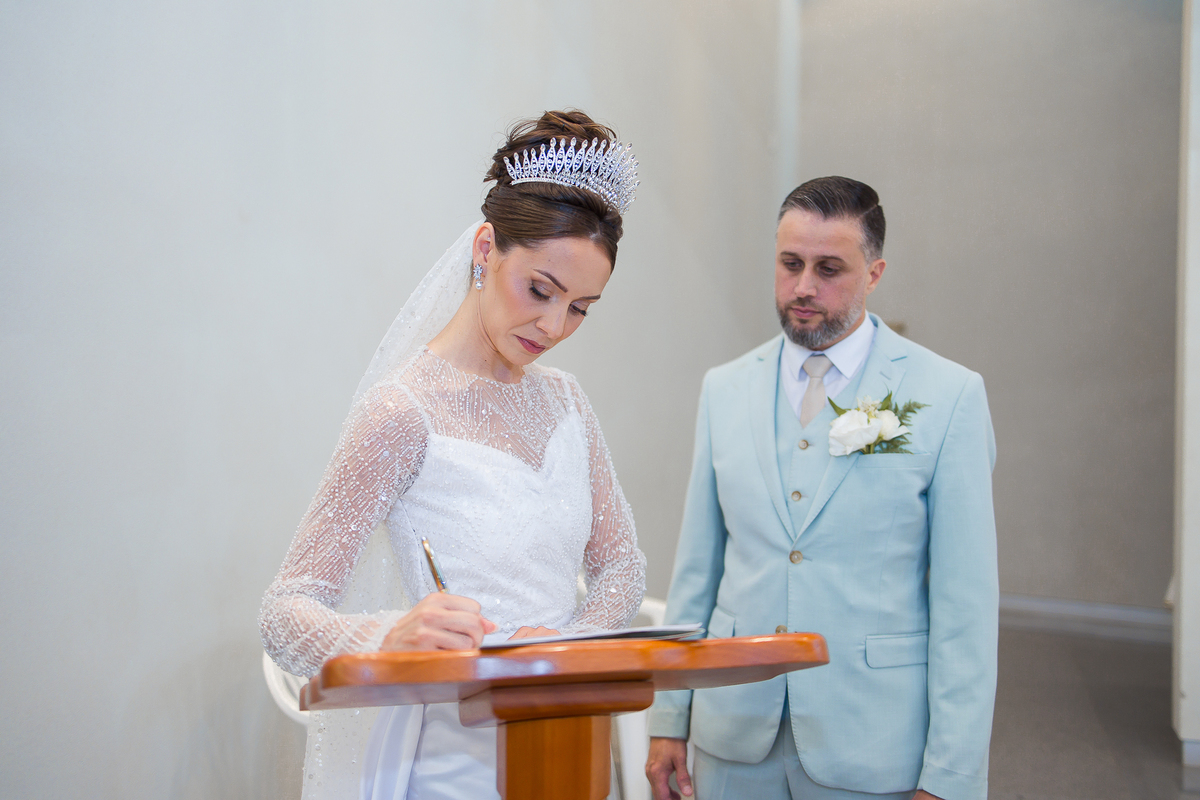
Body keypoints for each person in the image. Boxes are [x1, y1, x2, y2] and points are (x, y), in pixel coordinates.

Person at [260, 110, 647, 800]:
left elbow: (621, 564)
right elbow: (285, 611)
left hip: (565, 737)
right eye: (540, 290)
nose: (554, 326)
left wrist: (572, 643)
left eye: (581, 308)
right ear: (486, 248)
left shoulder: (567, 402)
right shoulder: (401, 412)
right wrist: (391, 636)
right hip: (452, 759)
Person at [645, 177, 997, 800]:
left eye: (829, 269)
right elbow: (698, 569)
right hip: (732, 731)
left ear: (874, 273)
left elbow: (965, 606)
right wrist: (669, 717)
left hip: (871, 738)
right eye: (790, 264)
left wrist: (952, 775)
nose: (804, 286)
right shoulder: (724, 388)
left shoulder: (948, 396)